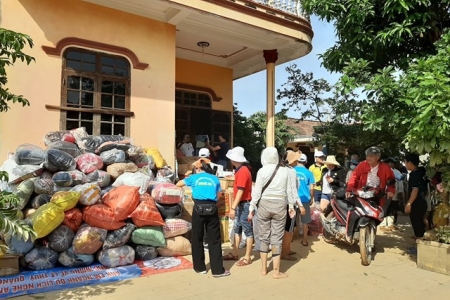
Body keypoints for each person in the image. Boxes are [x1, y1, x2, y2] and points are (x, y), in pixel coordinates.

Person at [249, 147, 299, 279]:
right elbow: (289, 191)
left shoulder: (261, 171)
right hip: (280, 206)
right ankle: (276, 272)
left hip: (264, 205)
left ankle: (264, 268)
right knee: (277, 238)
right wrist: (291, 206)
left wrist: (251, 208)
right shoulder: (285, 171)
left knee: (263, 236)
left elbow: (257, 192)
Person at [176, 158, 230, 277]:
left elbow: (178, 184)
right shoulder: (215, 178)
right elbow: (218, 194)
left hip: (198, 209)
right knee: (214, 240)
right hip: (212, 210)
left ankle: (199, 268)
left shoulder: (193, 178)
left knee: (197, 238)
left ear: (197, 168)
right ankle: (217, 270)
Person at [223, 147, 254, 267]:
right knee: (238, 228)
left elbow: (240, 191)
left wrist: (232, 208)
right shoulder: (241, 170)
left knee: (247, 230)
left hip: (244, 204)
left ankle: (247, 256)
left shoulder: (242, 171)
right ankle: (236, 252)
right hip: (242, 203)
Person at [280, 150, 306, 261]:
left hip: (282, 202)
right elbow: (293, 190)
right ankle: (285, 252)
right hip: (290, 204)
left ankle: (287, 249)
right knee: (288, 229)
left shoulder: (281, 170)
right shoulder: (291, 171)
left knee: (287, 228)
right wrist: (300, 205)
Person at [404, 153, 428, 239]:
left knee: (417, 222)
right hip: (423, 200)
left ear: (410, 163)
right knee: (421, 221)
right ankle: (419, 237)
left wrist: (409, 203)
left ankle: (420, 242)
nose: (405, 164)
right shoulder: (422, 171)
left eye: (405, 162)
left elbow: (415, 190)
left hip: (417, 202)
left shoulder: (415, 174)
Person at [293, 153, 315, 248]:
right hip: (305, 198)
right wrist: (312, 197)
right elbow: (312, 188)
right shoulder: (309, 173)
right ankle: (305, 240)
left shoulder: (292, 171)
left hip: (293, 198)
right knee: (305, 221)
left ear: (297, 160)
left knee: (293, 219)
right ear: (306, 162)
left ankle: (292, 238)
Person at [380, 157, 404, 230]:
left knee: (392, 209)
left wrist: (400, 193)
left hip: (394, 195)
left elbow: (400, 184)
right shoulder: (382, 171)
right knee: (384, 209)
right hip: (385, 194)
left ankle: (390, 223)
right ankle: (383, 224)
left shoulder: (397, 172)